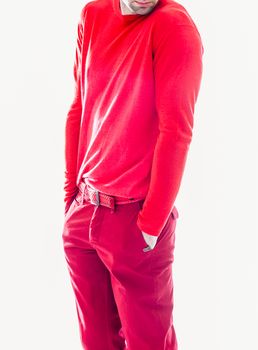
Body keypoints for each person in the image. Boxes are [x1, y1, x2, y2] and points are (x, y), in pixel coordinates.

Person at [61, 0, 204, 349]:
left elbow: (176, 131)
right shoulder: (92, 15)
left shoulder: (173, 27)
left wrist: (152, 223)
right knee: (96, 343)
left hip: (135, 220)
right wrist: (70, 197)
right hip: (84, 213)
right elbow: (79, 107)